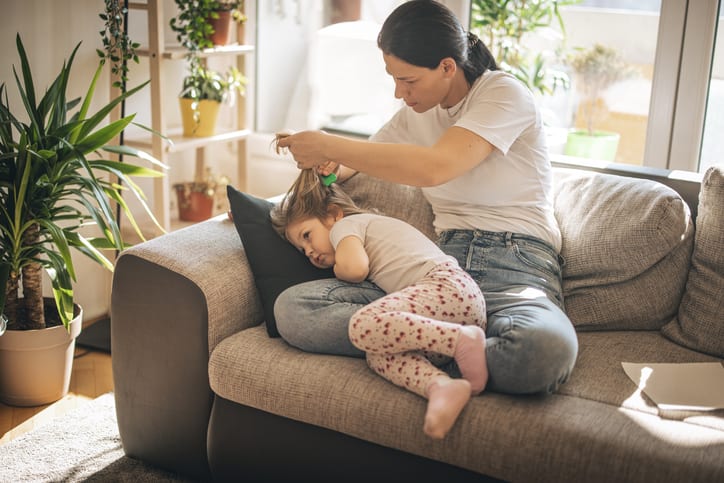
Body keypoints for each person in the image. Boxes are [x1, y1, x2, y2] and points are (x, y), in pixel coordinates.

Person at [274, 0, 578, 395]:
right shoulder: (415, 113)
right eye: (394, 79)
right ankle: (452, 349)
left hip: (515, 265)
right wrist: (292, 190)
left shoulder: (503, 94)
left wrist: (330, 142)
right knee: (294, 311)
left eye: (409, 80)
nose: (400, 93)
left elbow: (435, 166)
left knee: (544, 353)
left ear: (447, 67)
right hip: (433, 269)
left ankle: (415, 350)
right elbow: (346, 167)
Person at [270, 167, 488, 439]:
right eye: (303, 251)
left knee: (361, 325)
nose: (309, 252)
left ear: (333, 214)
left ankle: (460, 339)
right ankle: (440, 385)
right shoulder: (356, 228)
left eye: (307, 236)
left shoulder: (346, 226)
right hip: (453, 306)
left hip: (445, 287)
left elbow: (355, 269)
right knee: (376, 350)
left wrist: (338, 266)